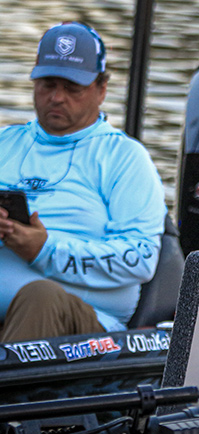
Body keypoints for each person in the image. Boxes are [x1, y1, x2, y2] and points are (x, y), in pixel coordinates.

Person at [0, 21, 167, 342]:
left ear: (101, 89)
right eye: (48, 84)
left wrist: (44, 251)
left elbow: (142, 258)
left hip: (84, 324)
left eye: (72, 88)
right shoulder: (5, 143)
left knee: (41, 296)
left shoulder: (125, 157)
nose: (57, 97)